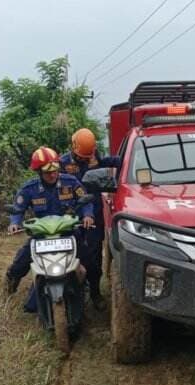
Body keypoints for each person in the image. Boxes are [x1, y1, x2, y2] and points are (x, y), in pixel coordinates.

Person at [3, 146, 96, 308]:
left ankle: (94, 294)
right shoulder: (29, 189)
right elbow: (18, 210)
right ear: (39, 172)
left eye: (55, 170)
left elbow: (85, 201)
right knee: (20, 262)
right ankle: (8, 292)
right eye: (48, 172)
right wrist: (14, 223)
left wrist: (88, 215)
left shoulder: (71, 182)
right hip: (41, 235)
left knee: (91, 262)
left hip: (68, 233)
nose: (53, 175)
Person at [60, 128, 121, 310]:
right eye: (82, 156)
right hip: (70, 215)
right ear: (73, 147)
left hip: (94, 216)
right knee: (69, 253)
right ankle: (70, 293)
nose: (85, 159)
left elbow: (117, 161)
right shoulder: (62, 163)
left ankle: (95, 293)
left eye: (88, 155)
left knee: (94, 256)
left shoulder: (97, 157)